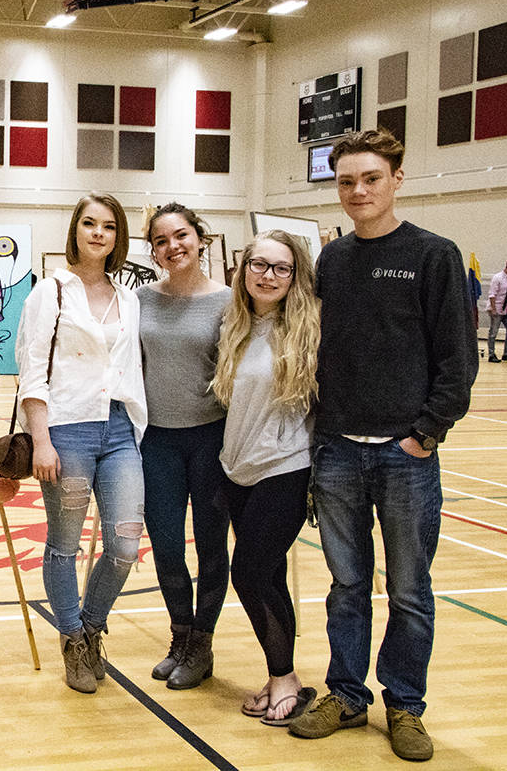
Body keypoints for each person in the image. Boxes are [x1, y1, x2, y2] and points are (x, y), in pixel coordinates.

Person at [288, 130, 477, 762]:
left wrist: (426, 433)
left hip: (406, 455)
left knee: (408, 589)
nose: (358, 191)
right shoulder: (332, 262)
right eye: (346, 181)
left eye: (371, 178)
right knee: (346, 585)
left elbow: (457, 358)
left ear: (397, 178)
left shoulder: (434, 255)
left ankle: (405, 704)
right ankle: (345, 694)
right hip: (337, 452)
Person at [15, 192, 147, 694]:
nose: (98, 233)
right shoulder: (50, 291)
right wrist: (40, 439)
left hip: (119, 431)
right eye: (89, 223)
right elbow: (32, 368)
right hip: (67, 430)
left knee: (123, 544)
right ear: (74, 230)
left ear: (118, 236)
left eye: (108, 226)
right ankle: (71, 640)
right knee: (64, 545)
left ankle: (91, 627)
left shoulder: (129, 297)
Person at [211, 230, 319, 725]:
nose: (268, 275)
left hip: (286, 468)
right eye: (259, 264)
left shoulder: (310, 327)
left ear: (295, 276)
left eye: (280, 267)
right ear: (244, 269)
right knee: (269, 576)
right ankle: (283, 677)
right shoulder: (235, 324)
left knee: (249, 573)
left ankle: (285, 679)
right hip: (237, 470)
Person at [137, 202, 232, 690]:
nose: (172, 246)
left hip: (211, 439)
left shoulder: (229, 301)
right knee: (168, 545)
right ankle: (180, 635)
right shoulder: (142, 300)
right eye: (161, 240)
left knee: (213, 545)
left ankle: (203, 643)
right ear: (152, 250)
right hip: (158, 441)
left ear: (200, 238)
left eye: (181, 236)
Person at [487, 257, 507, 363]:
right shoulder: (497, 278)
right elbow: (492, 294)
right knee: (493, 333)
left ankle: (506, 353)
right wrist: (493, 309)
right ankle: (491, 354)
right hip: (497, 308)